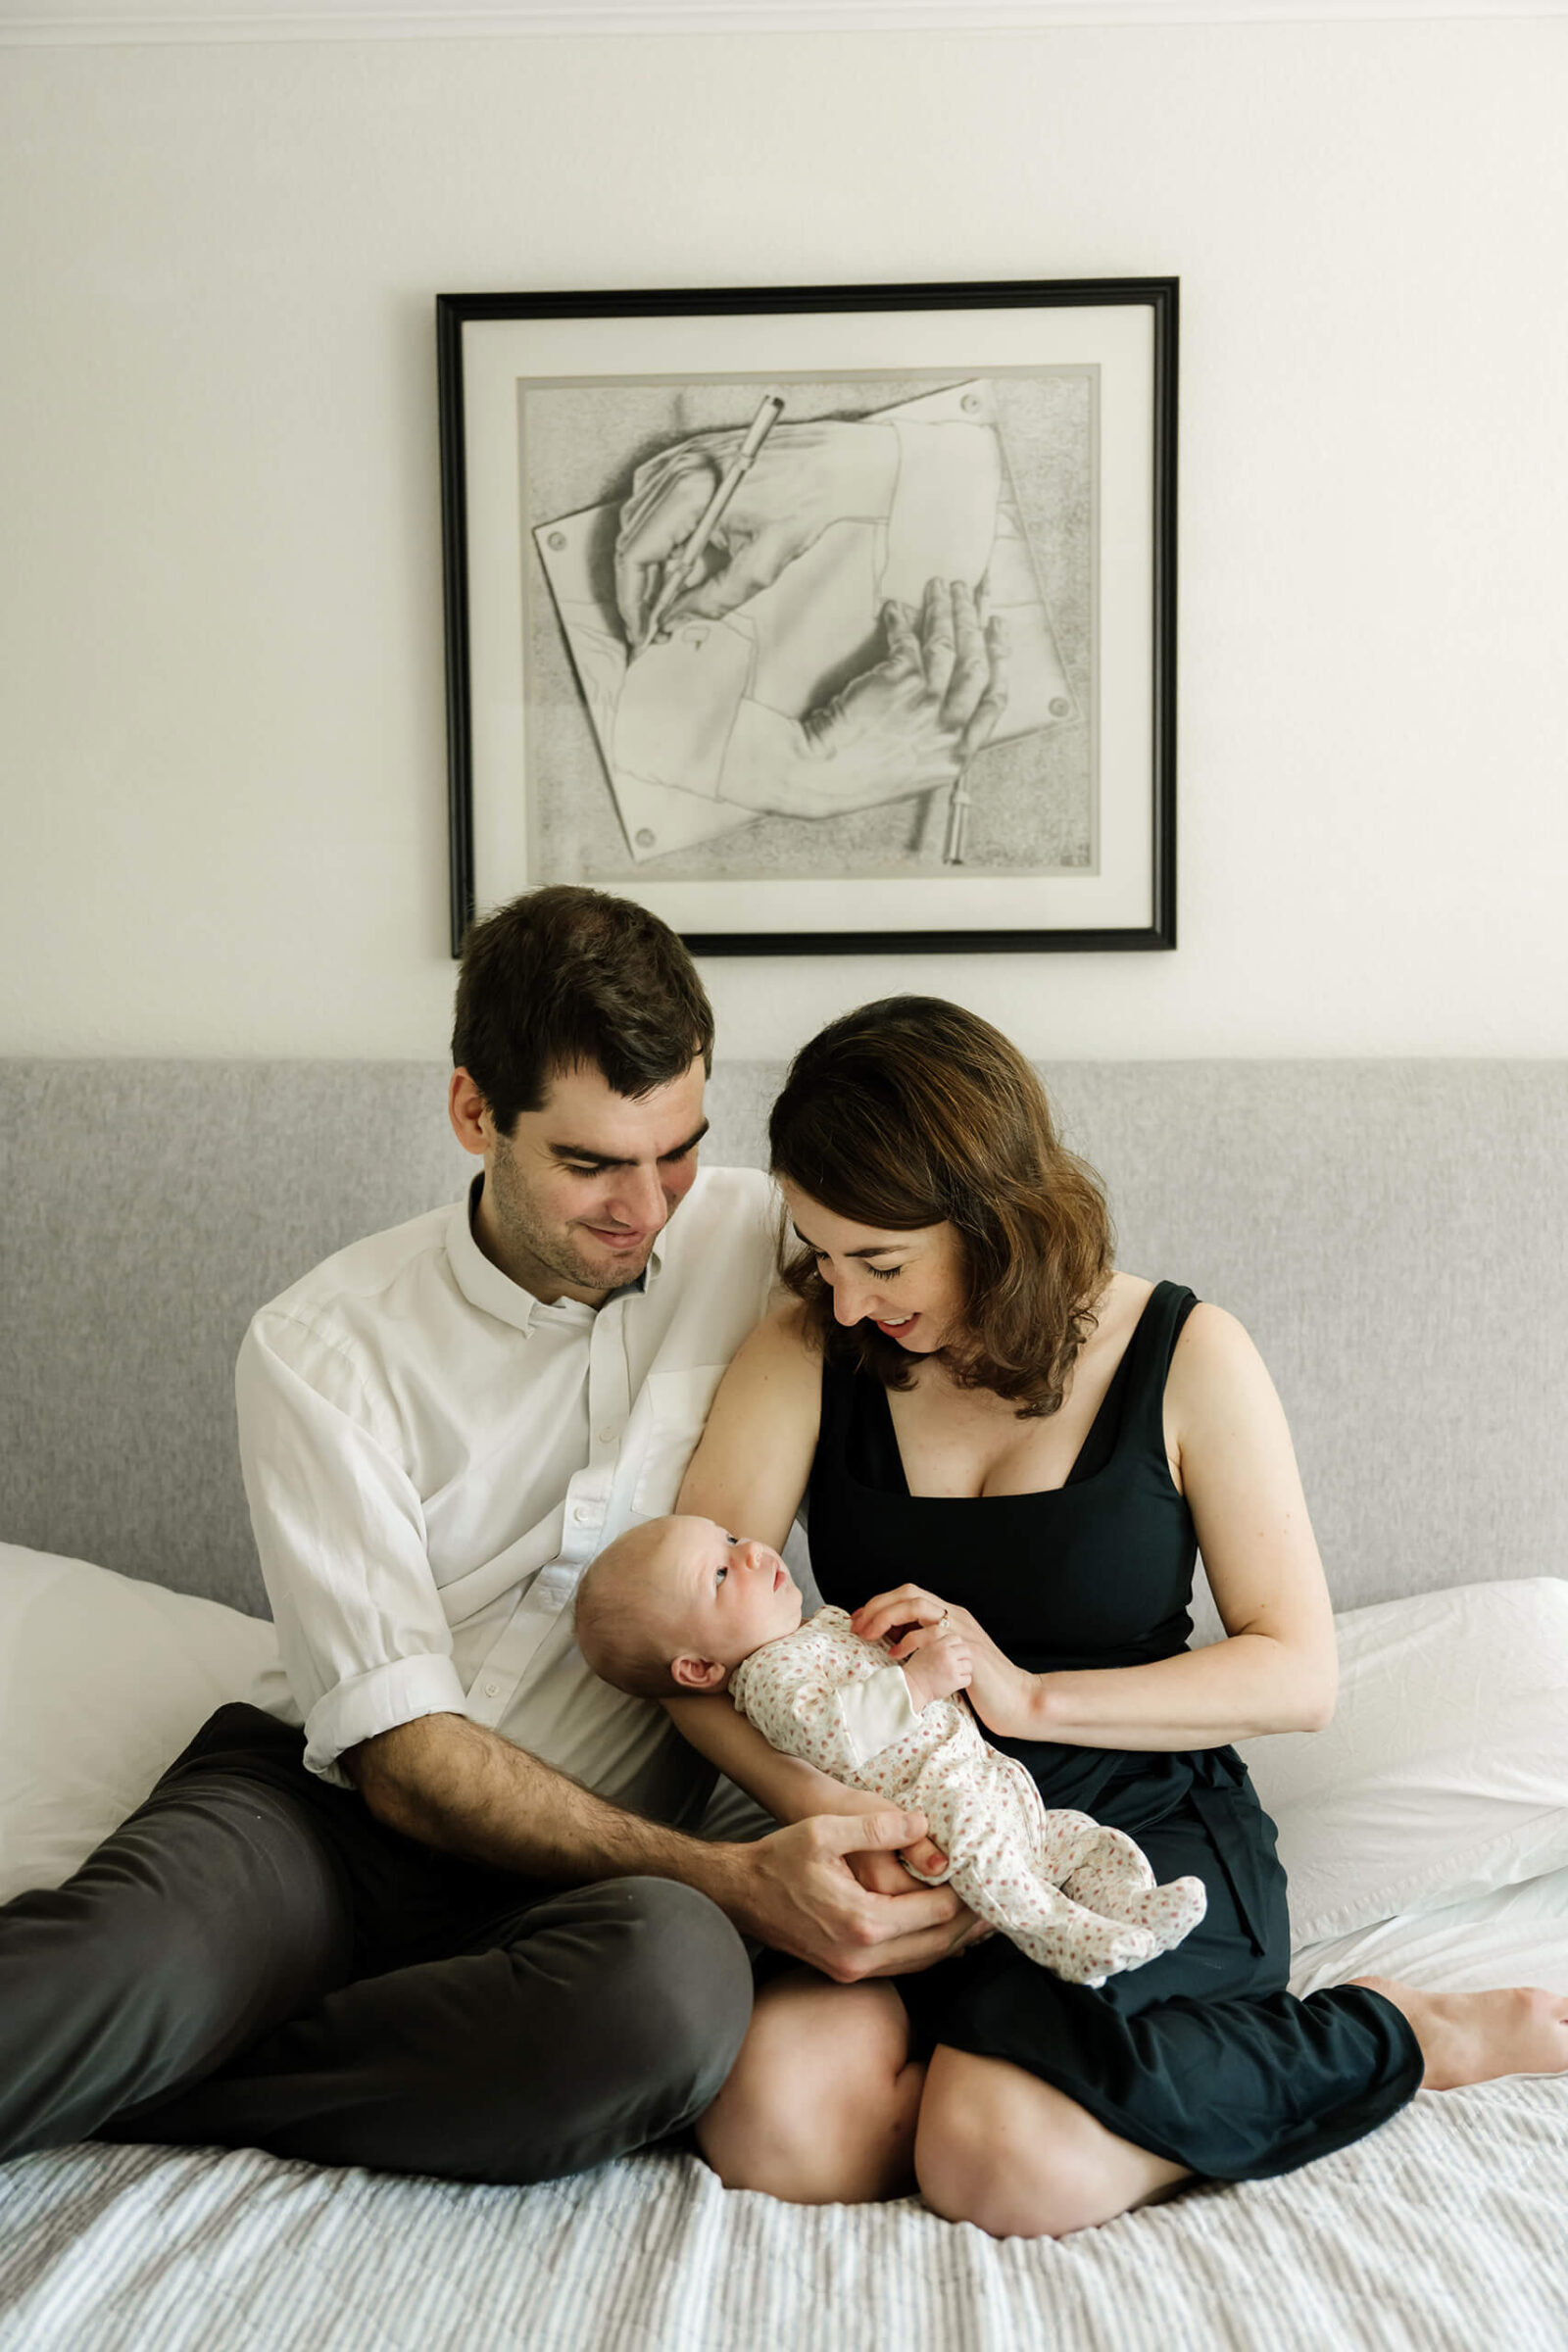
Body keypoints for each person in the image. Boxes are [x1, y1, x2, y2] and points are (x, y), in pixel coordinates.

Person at [0, 890, 974, 2186]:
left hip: (597, 1886)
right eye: (589, 1165)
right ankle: (175, 2024)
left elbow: (982, 1245)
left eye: (676, 1149)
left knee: (671, 2003)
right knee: (110, 1973)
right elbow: (400, 1755)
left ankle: (186, 2075)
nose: (647, 1210)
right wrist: (735, 1879)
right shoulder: (320, 1347)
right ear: (475, 1115)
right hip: (325, 1820)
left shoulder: (769, 1239)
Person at [660, 995, 1568, 2235]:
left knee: (1000, 2168)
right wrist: (831, 1819)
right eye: (823, 1253)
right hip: (911, 1820)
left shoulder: (1187, 1354)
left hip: (1141, 1825)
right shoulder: (807, 1344)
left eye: (882, 1260)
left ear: (996, 1220)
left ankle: (1396, 2031)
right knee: (777, 2128)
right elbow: (690, 1651)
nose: (849, 1297)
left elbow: (1295, 1673)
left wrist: (1027, 1698)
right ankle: (1014, 2070)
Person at [575, 1513, 1207, 1986]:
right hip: (934, 1806)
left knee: (1073, 1839)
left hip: (979, 1777)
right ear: (695, 1669)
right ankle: (1063, 1936)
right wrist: (918, 1679)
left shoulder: (812, 1629)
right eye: (717, 1574)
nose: (748, 1555)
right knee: (999, 1861)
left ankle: (1128, 1902)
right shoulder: (765, 1677)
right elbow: (830, 1732)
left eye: (732, 1540)